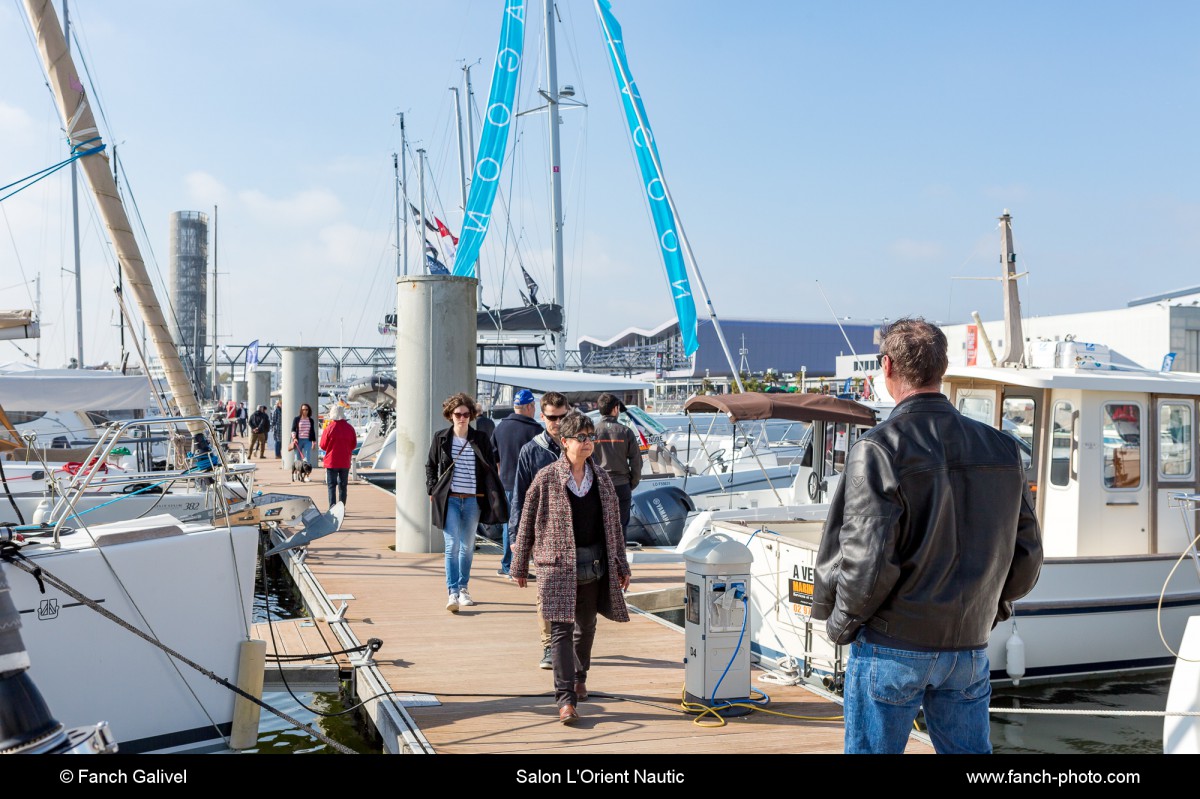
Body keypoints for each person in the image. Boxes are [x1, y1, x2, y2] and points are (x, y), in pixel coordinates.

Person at [812, 317, 1043, 754]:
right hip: (968, 646)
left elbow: (868, 561)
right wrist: (990, 608)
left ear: (887, 367)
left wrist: (840, 624)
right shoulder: (1002, 447)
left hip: (893, 645)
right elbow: (1028, 554)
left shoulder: (879, 448)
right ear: (944, 367)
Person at [511, 411, 632, 725]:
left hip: (593, 564)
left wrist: (621, 563)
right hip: (556, 566)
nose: (588, 442)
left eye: (590, 436)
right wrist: (520, 563)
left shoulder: (602, 479)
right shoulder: (546, 477)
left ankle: (580, 674)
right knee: (561, 631)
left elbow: (614, 526)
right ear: (564, 442)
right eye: (581, 437)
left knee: (586, 625)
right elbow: (526, 521)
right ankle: (565, 699)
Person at [425, 393, 507, 613]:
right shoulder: (441, 438)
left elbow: (489, 467)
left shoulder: (480, 438)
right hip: (449, 499)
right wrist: (431, 488)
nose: (462, 418)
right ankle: (452, 591)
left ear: (471, 416)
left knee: (467, 547)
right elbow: (430, 466)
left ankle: (463, 588)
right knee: (451, 546)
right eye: (458, 414)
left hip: (473, 500)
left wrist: (493, 494)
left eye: (466, 414)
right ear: (450, 415)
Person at [510, 391, 571, 669]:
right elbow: (519, 496)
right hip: (543, 531)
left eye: (562, 417)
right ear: (541, 416)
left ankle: (568, 645)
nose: (557, 423)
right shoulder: (531, 450)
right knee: (545, 591)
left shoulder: (579, 445)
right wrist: (515, 537)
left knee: (577, 592)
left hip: (576, 531)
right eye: (551, 418)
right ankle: (549, 647)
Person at [491, 389, 543, 578]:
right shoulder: (536, 430)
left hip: (506, 482)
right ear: (529, 406)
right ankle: (518, 566)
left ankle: (508, 565)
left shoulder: (500, 427)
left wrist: (501, 474)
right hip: (528, 484)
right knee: (527, 526)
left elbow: (494, 456)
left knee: (509, 525)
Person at [591, 393, 642, 531]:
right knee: (620, 528)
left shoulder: (592, 432)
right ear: (615, 409)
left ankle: (603, 553)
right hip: (621, 485)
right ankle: (619, 552)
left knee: (599, 528)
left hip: (598, 485)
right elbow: (636, 461)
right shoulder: (626, 431)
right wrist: (631, 483)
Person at [320, 403, 358, 511]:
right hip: (345, 460)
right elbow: (354, 444)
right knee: (343, 485)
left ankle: (332, 507)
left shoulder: (329, 428)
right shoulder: (350, 428)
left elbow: (322, 445)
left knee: (331, 486)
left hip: (331, 461)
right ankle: (341, 508)